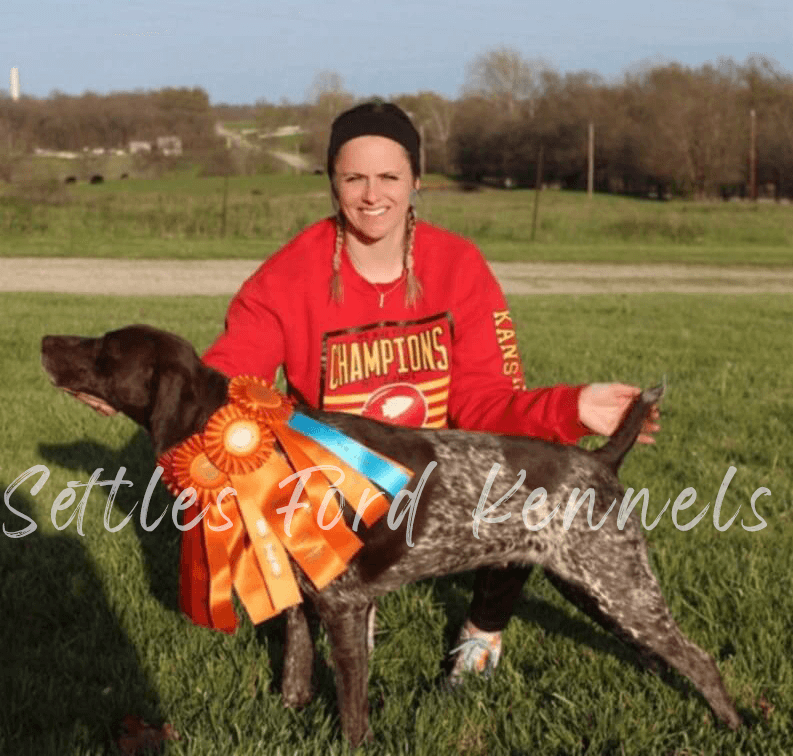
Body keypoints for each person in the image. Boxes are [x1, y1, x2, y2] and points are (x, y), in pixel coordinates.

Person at [202, 100, 660, 682]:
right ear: (332, 184)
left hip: (438, 480)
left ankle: (482, 632)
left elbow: (488, 404)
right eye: (354, 178)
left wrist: (574, 408)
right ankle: (345, 598)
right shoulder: (287, 277)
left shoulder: (459, 266)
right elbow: (229, 383)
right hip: (339, 489)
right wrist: (152, 391)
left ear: (416, 181)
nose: (372, 195)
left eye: (389, 176)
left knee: (527, 476)